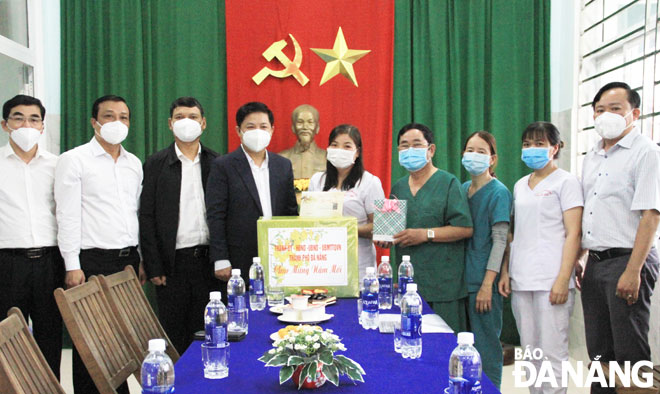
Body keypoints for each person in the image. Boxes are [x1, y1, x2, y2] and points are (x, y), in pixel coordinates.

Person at [55, 94, 143, 394]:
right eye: (109, 116)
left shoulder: (134, 164)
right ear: (95, 122)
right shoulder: (74, 159)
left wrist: (140, 259)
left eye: (123, 117)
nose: (117, 122)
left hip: (128, 262)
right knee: (92, 345)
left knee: (123, 342)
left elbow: (136, 213)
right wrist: (72, 265)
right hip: (91, 262)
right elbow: (66, 215)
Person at [578, 82, 660, 394]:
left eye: (615, 109)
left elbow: (651, 216)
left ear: (634, 114)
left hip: (629, 261)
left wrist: (633, 270)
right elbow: (593, 213)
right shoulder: (593, 156)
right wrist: (582, 259)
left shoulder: (646, 153)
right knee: (599, 353)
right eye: (600, 110)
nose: (606, 115)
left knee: (629, 355)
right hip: (596, 263)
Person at [499, 121, 583, 394]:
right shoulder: (521, 184)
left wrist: (562, 279)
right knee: (531, 352)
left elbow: (574, 234)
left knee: (553, 351)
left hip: (552, 280)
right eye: (526, 144)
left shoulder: (567, 182)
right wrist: (507, 272)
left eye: (539, 144)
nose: (531, 149)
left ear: (555, 148)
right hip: (522, 279)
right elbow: (516, 233)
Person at [139, 97, 219, 354]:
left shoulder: (217, 163)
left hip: (210, 264)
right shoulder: (155, 164)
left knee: (210, 333)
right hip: (172, 266)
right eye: (180, 117)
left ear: (203, 123)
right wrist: (154, 265)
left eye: (193, 117)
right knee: (175, 336)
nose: (187, 122)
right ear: (170, 124)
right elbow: (147, 216)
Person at [377, 122, 473, 333]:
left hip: (443, 286)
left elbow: (464, 228)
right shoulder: (398, 187)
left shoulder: (449, 182)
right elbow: (388, 232)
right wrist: (384, 239)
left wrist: (426, 234)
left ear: (431, 150)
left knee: (444, 348)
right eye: (404, 146)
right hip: (408, 285)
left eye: (416, 144)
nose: (409, 150)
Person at [0, 95, 64, 378]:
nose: (26, 124)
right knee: (6, 339)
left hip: (50, 261)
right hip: (7, 262)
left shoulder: (58, 164)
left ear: (42, 125)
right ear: (5, 125)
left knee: (49, 337)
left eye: (34, 119)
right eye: (18, 118)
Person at [206, 101, 298, 289]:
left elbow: (290, 211)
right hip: (239, 258)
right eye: (250, 127)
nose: (258, 131)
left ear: (272, 130)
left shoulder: (283, 165)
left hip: (278, 256)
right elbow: (216, 214)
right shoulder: (223, 166)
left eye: (263, 126)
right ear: (238, 131)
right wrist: (220, 257)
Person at [461, 131, 511, 390]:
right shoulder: (461, 190)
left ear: (493, 159)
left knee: (487, 346)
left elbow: (501, 240)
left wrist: (486, 285)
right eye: (470, 150)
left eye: (481, 151)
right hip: (461, 281)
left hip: (484, 282)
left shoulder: (498, 193)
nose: (474, 156)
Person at [308, 124, 385, 280]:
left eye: (347, 146)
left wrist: (345, 228)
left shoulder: (370, 182)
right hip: (322, 263)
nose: (339, 150)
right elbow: (309, 219)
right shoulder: (317, 180)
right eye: (334, 145)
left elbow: (380, 227)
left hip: (358, 265)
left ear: (357, 152)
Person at [279, 104, 326, 179]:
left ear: (317, 128)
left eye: (310, 122)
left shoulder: (327, 158)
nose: (305, 127)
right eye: (300, 122)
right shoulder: (281, 158)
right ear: (293, 127)